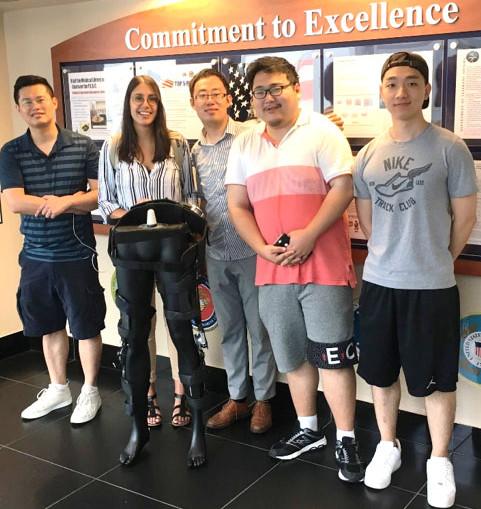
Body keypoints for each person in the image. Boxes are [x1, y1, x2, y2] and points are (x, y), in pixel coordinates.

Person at [226, 56, 365, 483]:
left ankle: (346, 436)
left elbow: (343, 188)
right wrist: (261, 249)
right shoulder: (246, 144)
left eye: (276, 88)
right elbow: (237, 204)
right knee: (291, 357)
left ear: (295, 88)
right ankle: (308, 430)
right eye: (260, 92)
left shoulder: (322, 132)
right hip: (272, 272)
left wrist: (308, 235)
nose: (268, 98)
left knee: (334, 357)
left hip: (323, 266)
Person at [353, 52, 477, 508]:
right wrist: (394, 257)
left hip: (433, 287)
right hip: (381, 284)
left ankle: (440, 460)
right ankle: (389, 446)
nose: (400, 91)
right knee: (381, 374)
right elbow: (368, 224)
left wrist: (436, 259)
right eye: (391, 83)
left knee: (439, 381)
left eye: (410, 82)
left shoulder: (449, 147)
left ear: (426, 90)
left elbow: (464, 217)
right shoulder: (368, 154)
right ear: (382, 92)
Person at [98, 75, 206, 467]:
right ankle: (138, 425)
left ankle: (196, 427)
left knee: (182, 331)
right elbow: (105, 201)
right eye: (138, 98)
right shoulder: (112, 147)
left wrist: (172, 214)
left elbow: (193, 196)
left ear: (159, 104)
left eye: (152, 99)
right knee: (133, 334)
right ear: (128, 103)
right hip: (131, 254)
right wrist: (134, 212)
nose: (146, 104)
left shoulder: (177, 144)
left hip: (174, 250)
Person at [0, 75, 105, 425]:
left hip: (77, 252)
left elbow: (98, 195)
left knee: (86, 325)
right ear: (19, 108)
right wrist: (61, 203)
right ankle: (59, 388)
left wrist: (65, 203)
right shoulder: (12, 151)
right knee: (48, 325)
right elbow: (14, 201)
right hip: (36, 255)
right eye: (27, 101)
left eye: (41, 99)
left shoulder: (83, 145)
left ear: (55, 101)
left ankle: (90, 391)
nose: (35, 106)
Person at [189, 68, 277, 433]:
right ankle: (237, 398)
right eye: (202, 95)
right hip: (216, 251)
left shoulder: (250, 135)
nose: (209, 100)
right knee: (229, 331)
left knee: (260, 329)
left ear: (228, 98)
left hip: (254, 249)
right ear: (193, 103)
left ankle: (264, 400)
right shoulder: (192, 151)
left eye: (216, 93)